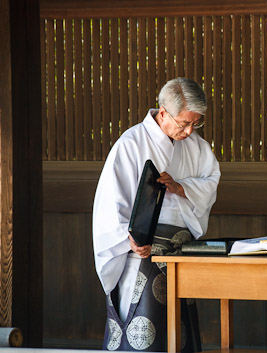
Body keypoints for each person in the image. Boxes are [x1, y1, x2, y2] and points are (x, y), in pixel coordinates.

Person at [93, 78, 220, 351]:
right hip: (142, 254)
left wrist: (183, 188)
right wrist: (131, 238)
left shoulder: (196, 147)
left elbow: (211, 180)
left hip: (180, 254)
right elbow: (110, 205)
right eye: (184, 123)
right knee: (143, 334)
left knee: (179, 334)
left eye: (195, 123)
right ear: (163, 112)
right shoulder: (131, 144)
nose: (188, 131)